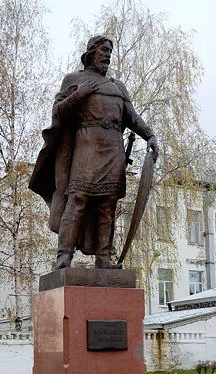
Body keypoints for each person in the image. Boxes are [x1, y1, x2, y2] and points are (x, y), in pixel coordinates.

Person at [29, 35, 159, 269]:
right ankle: (64, 256)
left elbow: (132, 117)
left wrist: (150, 135)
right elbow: (57, 113)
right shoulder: (74, 80)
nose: (108, 54)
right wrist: (79, 94)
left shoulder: (118, 87)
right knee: (77, 199)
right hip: (86, 148)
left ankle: (103, 257)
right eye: (103, 50)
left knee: (107, 205)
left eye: (110, 50)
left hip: (113, 151)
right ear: (91, 53)